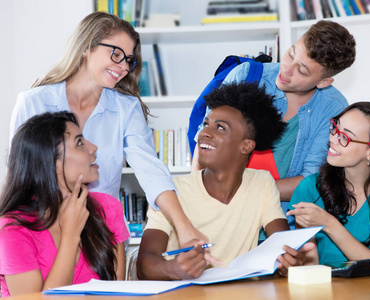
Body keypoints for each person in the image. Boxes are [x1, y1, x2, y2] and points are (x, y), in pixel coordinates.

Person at [9, 11, 204, 245]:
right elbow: (19, 174)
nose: (123, 67)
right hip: (43, 231)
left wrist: (183, 225)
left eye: (129, 60)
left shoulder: (126, 108)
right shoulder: (33, 102)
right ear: (86, 47)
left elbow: (150, 170)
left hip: (102, 235)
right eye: (116, 54)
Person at [136, 82, 314, 280]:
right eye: (206, 124)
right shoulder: (172, 191)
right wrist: (173, 269)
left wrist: (288, 261)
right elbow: (144, 266)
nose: (204, 132)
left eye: (220, 127)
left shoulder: (262, 183)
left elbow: (281, 245)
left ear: (246, 146)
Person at [192, 20, 357, 230]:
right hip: (220, 220)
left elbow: (311, 180)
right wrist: (195, 205)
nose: (287, 70)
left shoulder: (333, 107)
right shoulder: (246, 76)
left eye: (302, 71)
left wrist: (239, 188)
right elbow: (205, 142)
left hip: (281, 226)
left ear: (324, 82)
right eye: (291, 53)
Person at [0, 111, 129, 297]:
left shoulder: (108, 208)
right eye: (79, 143)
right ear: (52, 163)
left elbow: (117, 293)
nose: (93, 148)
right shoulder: (13, 229)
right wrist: (70, 236)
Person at [287, 102, 370, 265]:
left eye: (345, 137)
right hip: (323, 288)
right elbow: (310, 266)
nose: (333, 139)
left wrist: (329, 224)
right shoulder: (310, 188)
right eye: (335, 127)